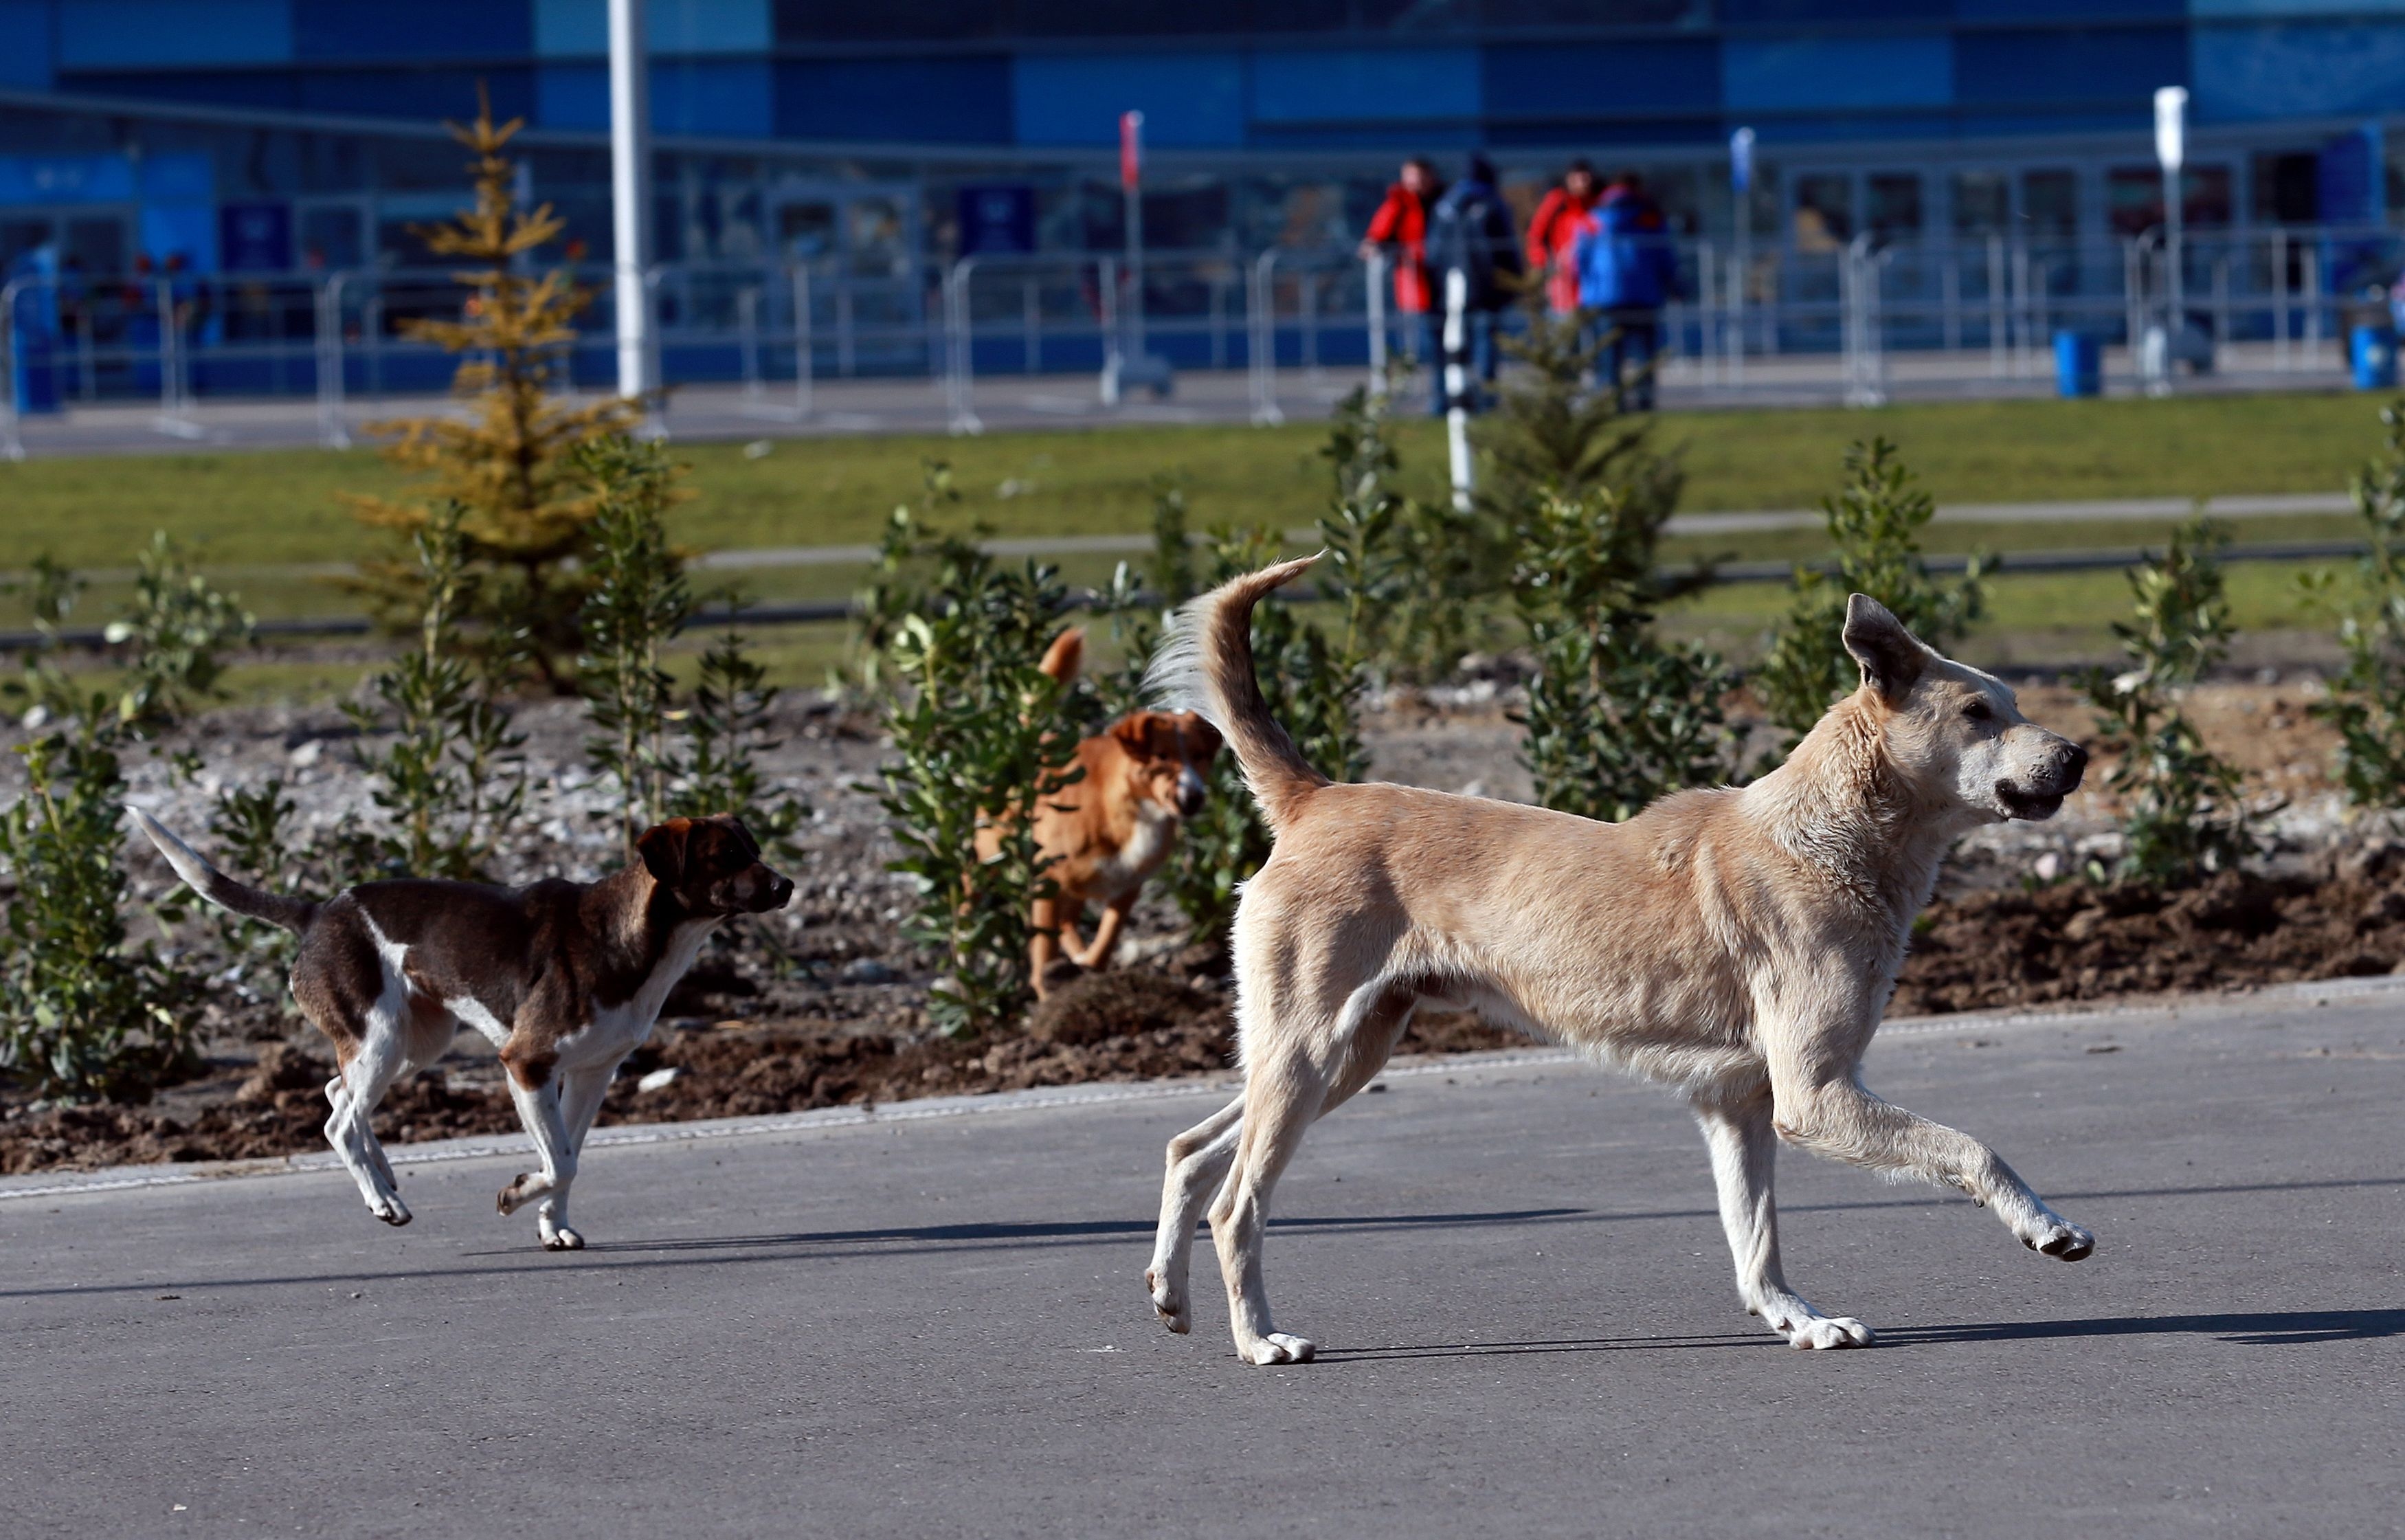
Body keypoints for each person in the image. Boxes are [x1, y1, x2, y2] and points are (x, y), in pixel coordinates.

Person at [1574, 169, 1682, 411]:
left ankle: (1613, 402)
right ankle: (1644, 401)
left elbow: (1580, 261)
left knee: (1609, 356)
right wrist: (1674, 286)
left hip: (1604, 299)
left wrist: (1584, 293)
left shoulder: (1593, 219)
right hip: (1644, 295)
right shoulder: (1650, 218)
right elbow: (1665, 256)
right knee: (1644, 354)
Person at [1424, 154, 1523, 415]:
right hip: (1487, 288)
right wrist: (1514, 282)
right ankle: (1486, 401)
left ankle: (1447, 401)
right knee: (1485, 345)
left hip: (1450, 289)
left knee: (1454, 346)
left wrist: (1437, 283)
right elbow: (1507, 250)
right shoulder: (1492, 204)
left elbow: (1433, 253)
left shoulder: (1445, 206)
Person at [1359, 157, 1441, 398]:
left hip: (1447, 281)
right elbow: (1377, 235)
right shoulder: (1399, 202)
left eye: (1422, 176)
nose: (1418, 182)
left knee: (1451, 343)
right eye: (1412, 176)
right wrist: (1374, 246)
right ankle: (1431, 398)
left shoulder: (1445, 200)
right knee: (1426, 345)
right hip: (1418, 285)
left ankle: (1447, 397)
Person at [1525, 159, 1600, 316]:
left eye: (1586, 179)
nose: (1582, 184)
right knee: (1564, 322)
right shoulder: (1558, 201)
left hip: (1592, 280)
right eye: (1577, 178)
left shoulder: (1597, 204)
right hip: (1562, 279)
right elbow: (1536, 234)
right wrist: (1542, 264)